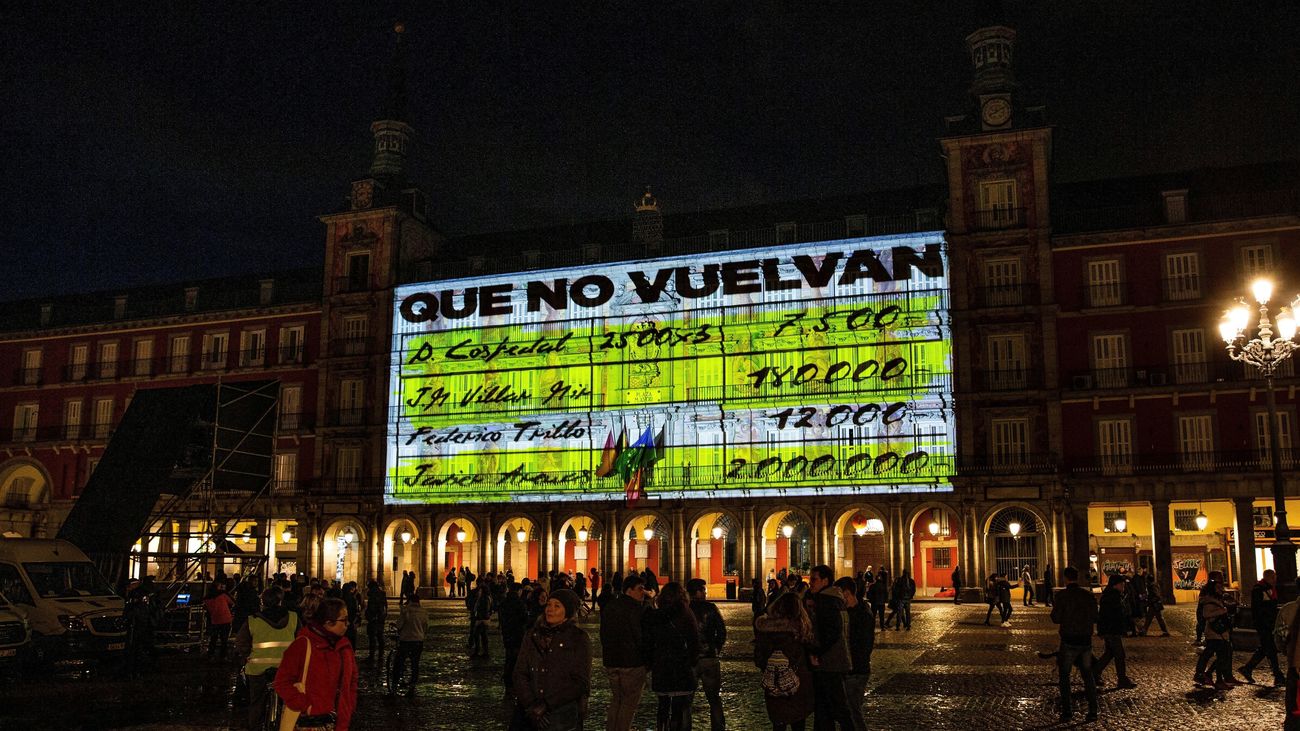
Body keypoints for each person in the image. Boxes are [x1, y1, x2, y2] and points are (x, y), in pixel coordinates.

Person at [273, 597, 359, 731]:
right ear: (328, 622)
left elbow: (352, 679)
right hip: (310, 723)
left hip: (340, 722)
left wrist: (349, 705)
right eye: (344, 620)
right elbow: (282, 681)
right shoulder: (302, 645)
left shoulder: (344, 647)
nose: (347, 624)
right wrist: (304, 704)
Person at [511, 589, 592, 731]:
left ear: (568, 612)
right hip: (529, 714)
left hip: (561, 715)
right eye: (549, 604)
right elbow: (520, 673)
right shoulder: (532, 635)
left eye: (557, 606)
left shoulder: (578, 639)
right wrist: (531, 705)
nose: (550, 609)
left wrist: (546, 705)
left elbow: (580, 682)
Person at [236, 586, 297, 731]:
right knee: (289, 704)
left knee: (256, 703)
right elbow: (301, 640)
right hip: (286, 669)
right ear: (281, 601)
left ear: (263, 602)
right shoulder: (294, 618)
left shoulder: (253, 620)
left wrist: (246, 656)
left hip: (257, 669)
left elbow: (241, 642)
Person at [642, 582, 700, 731]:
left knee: (663, 706)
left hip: (661, 666)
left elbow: (648, 642)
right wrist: (692, 662)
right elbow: (694, 641)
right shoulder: (687, 614)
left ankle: (661, 728)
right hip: (681, 666)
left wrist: (649, 664)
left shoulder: (656, 615)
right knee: (679, 708)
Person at [754, 592, 816, 731]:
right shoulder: (802, 631)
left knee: (778, 722)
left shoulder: (765, 631)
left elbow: (758, 659)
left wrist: (771, 667)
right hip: (799, 683)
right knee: (798, 723)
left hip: (773, 682)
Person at [805, 565, 853, 731]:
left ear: (825, 580)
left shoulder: (826, 601)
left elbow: (831, 632)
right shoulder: (834, 598)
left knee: (837, 708)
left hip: (829, 663)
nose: (810, 582)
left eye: (814, 579)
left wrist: (815, 652)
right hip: (836, 660)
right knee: (825, 709)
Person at [601, 573, 649, 731]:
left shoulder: (610, 606)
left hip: (612, 662)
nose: (643, 592)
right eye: (640, 589)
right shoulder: (636, 609)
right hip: (632, 663)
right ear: (629, 590)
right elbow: (640, 637)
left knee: (617, 701)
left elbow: (603, 634)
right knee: (628, 705)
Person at [1051, 566, 1098, 723]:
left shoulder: (1062, 596)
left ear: (1065, 578)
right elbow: (1095, 616)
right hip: (1085, 640)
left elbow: (1056, 618)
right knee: (1088, 675)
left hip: (1069, 640)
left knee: (1064, 677)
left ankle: (1067, 712)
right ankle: (1092, 710)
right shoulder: (1087, 595)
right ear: (1077, 578)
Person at [688, 578, 727, 731]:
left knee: (686, 701)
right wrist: (715, 648)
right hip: (709, 658)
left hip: (690, 659)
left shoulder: (685, 609)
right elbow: (722, 632)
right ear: (697, 592)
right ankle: (718, 728)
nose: (705, 592)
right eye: (703, 590)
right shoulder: (711, 608)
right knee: (714, 700)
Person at [836, 577, 874, 731]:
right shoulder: (858, 610)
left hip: (856, 671)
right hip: (855, 669)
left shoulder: (860, 615)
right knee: (849, 712)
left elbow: (860, 646)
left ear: (847, 593)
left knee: (852, 713)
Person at [1194, 572, 1239, 690]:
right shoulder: (1210, 599)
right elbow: (1206, 614)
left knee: (1219, 654)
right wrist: (1223, 611)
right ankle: (1211, 677)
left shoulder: (1218, 596)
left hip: (1220, 631)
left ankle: (1209, 676)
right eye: (1220, 582)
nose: (1222, 584)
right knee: (1219, 654)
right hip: (1215, 631)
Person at [1093, 573, 1138, 689]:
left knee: (1110, 653)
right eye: (1121, 584)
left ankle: (1094, 672)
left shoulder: (1111, 595)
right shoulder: (1113, 597)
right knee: (1119, 654)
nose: (1123, 586)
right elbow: (1113, 615)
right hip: (1112, 630)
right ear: (1115, 585)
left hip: (1110, 630)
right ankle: (1122, 679)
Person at [1240, 569, 1284, 686]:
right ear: (1269, 577)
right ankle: (1278, 675)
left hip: (1269, 624)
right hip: (1264, 624)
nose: (1275, 579)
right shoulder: (1259, 590)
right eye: (1274, 577)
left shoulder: (1269, 589)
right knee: (1270, 648)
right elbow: (1258, 609)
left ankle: (1248, 668)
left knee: (1266, 648)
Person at [388, 592, 427, 696]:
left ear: (409, 601)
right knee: (415, 665)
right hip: (418, 641)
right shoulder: (424, 612)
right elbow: (425, 627)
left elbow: (399, 625)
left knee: (399, 663)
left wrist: (394, 626)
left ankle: (394, 688)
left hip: (406, 641)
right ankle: (412, 687)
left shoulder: (406, 611)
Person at [498, 582, 530, 690]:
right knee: (516, 658)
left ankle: (507, 677)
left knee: (508, 656)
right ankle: (513, 679)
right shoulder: (519, 603)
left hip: (507, 633)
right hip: (517, 633)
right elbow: (524, 618)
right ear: (519, 591)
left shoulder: (504, 602)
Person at [203, 581, 235, 661]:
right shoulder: (223, 595)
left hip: (215, 620)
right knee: (224, 639)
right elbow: (232, 602)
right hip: (225, 619)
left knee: (213, 638)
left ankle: (211, 655)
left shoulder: (207, 598)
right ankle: (223, 656)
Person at [1138, 571, 1168, 636]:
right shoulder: (1154, 585)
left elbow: (1156, 595)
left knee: (1152, 618)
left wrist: (1150, 600)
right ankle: (1144, 631)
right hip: (1154, 604)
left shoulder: (1152, 586)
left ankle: (1144, 631)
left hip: (1154, 605)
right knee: (1151, 618)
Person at [364, 579, 387, 662]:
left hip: (374, 618)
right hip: (380, 619)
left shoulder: (373, 595)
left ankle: (372, 655)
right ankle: (380, 654)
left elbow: (373, 607)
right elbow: (385, 607)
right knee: (380, 637)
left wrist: (370, 616)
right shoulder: (382, 594)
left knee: (372, 637)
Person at [470, 578, 493, 658]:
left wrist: (479, 617)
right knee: (483, 636)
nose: (478, 592)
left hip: (482, 619)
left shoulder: (484, 599)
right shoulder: (483, 598)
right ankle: (484, 652)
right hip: (483, 619)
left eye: (480, 590)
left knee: (477, 635)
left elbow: (485, 609)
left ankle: (479, 651)